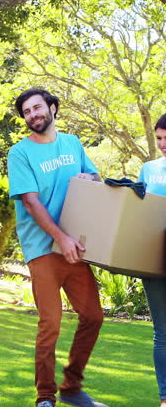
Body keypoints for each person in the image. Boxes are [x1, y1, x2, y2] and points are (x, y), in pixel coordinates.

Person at [8, 88, 108, 407]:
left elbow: (94, 177)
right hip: (43, 248)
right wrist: (60, 238)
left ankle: (72, 387)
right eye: (27, 111)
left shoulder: (72, 143)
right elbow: (30, 201)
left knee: (93, 315)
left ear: (52, 108)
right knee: (50, 322)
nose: (33, 114)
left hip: (75, 246)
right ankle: (45, 395)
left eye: (38, 107)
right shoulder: (19, 153)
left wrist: (90, 178)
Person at [138, 113, 166, 407]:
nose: (162, 144)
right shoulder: (147, 170)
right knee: (162, 333)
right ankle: (164, 398)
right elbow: (137, 211)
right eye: (159, 138)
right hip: (152, 260)